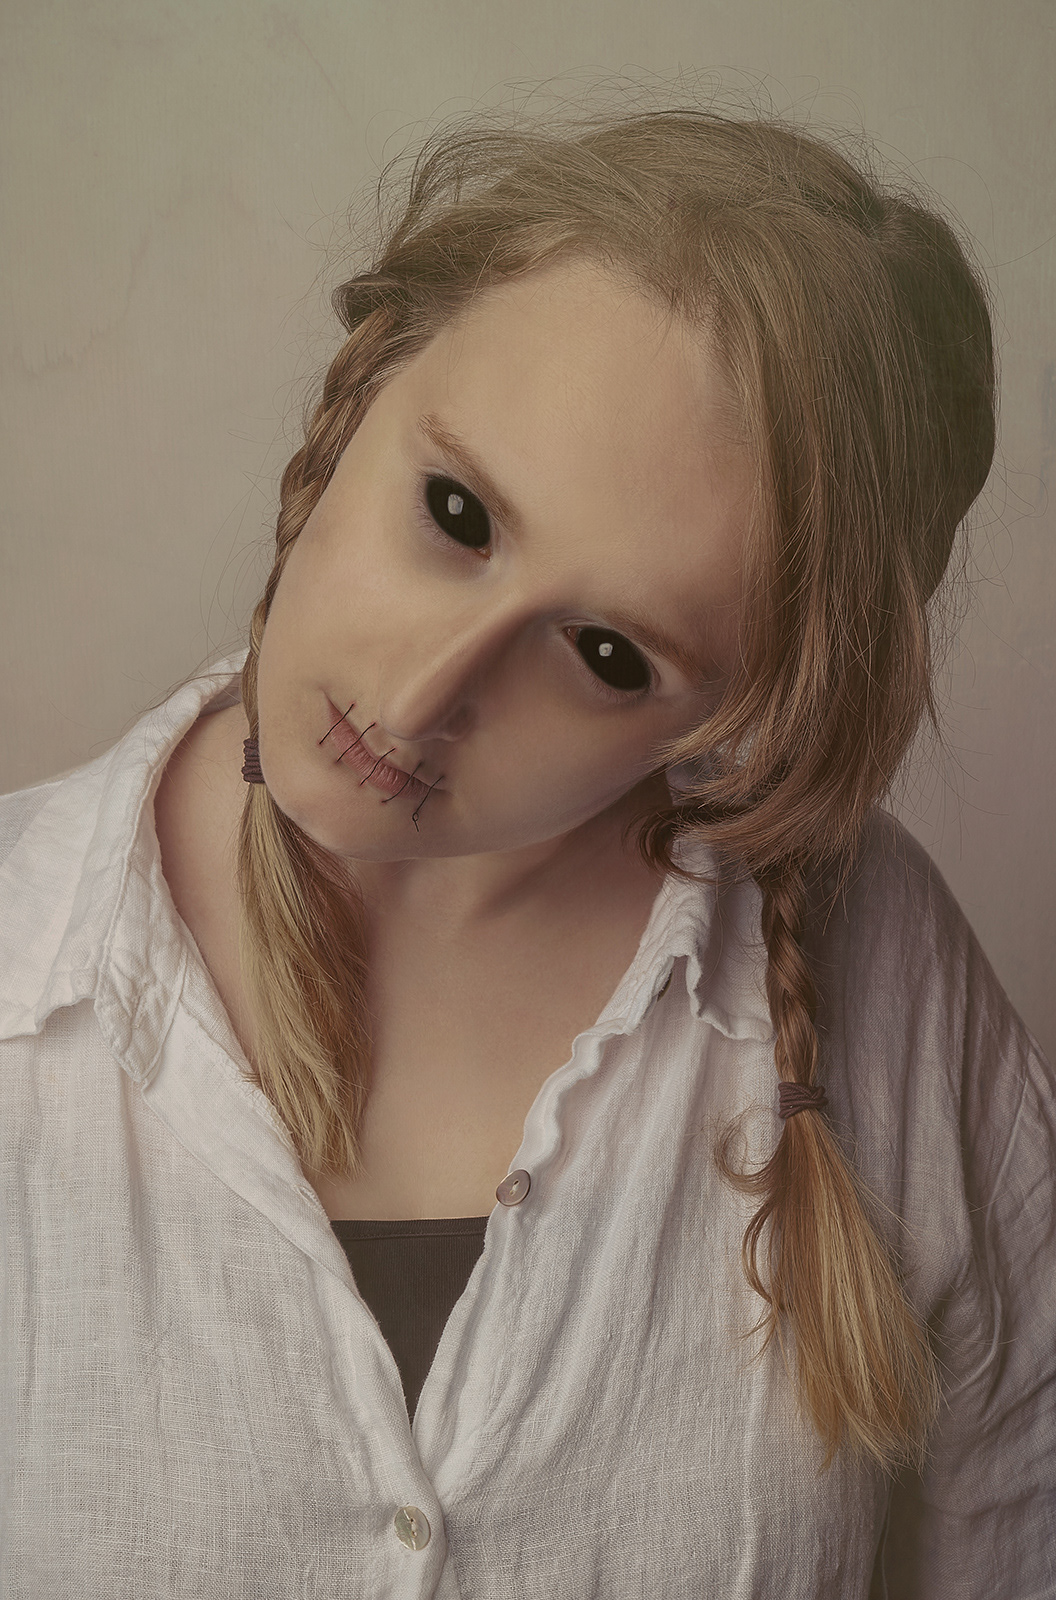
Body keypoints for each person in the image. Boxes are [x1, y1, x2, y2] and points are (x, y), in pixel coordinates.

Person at [1, 103, 1053, 1599]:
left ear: (745, 711)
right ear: (371, 374)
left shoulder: (886, 977)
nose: (422, 696)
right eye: (456, 513)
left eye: (611, 654)